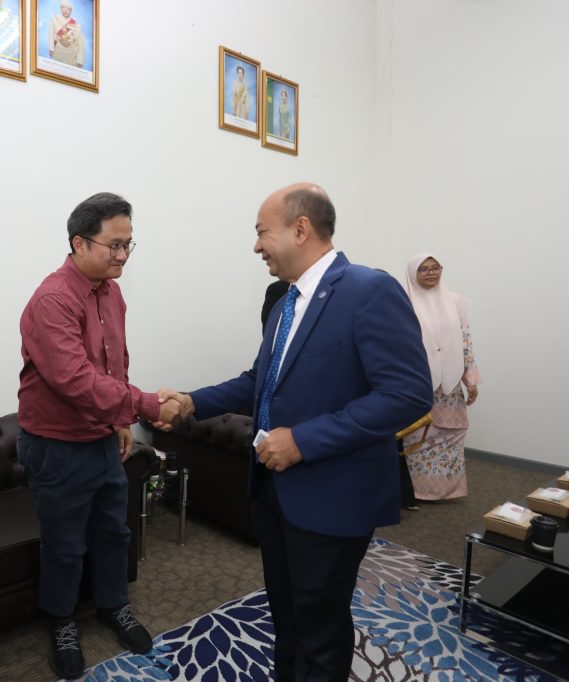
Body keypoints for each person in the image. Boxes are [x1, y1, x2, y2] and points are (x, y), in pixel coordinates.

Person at [158, 183, 432, 681]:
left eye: (262, 232)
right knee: (287, 616)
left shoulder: (369, 290)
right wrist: (192, 402)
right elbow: (258, 382)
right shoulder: (284, 302)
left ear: (300, 229)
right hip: (273, 492)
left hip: (332, 496)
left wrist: (303, 441)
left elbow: (407, 394)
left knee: (320, 627)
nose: (256, 245)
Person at [17, 192, 181, 680]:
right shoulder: (52, 300)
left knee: (114, 532)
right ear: (79, 243)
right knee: (64, 544)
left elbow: (114, 364)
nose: (123, 255)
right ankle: (62, 621)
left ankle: (113, 605)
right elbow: (75, 380)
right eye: (114, 245)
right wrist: (146, 405)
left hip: (103, 439)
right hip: (57, 444)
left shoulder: (111, 292)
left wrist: (121, 423)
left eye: (129, 244)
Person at [402, 252, 480, 500]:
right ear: (412, 273)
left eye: (435, 268)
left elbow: (465, 341)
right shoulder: (403, 303)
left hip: (449, 384)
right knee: (416, 437)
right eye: (424, 269)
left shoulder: (454, 302)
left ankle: (447, 490)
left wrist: (471, 379)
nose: (431, 273)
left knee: (451, 434)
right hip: (417, 382)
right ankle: (417, 491)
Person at [49, 0, 84, 68]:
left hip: (71, 56)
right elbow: (51, 34)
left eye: (68, 8)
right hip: (58, 53)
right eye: (63, 7)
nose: (66, 10)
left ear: (71, 10)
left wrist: (80, 60)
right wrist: (51, 48)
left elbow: (80, 43)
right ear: (60, 8)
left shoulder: (77, 24)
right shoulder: (55, 19)